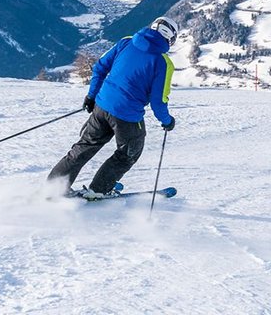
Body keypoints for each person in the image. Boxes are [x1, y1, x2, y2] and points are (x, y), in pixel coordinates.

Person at [47, 16, 179, 199]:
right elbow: (158, 101)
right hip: (127, 116)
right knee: (128, 153)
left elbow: (100, 67)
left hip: (101, 105)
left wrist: (91, 96)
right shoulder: (163, 63)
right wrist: (167, 121)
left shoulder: (126, 42)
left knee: (85, 145)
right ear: (170, 38)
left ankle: (54, 187)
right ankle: (99, 189)